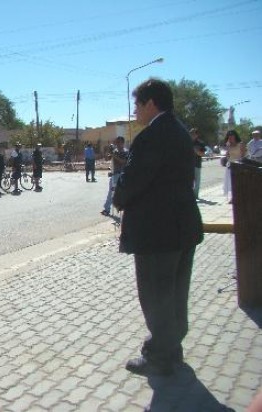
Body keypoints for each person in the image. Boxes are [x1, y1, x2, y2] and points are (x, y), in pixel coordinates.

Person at [113, 79, 203, 377]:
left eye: (137, 104)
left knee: (155, 295)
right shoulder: (178, 130)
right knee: (175, 293)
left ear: (151, 103)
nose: (135, 110)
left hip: (156, 232)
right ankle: (172, 349)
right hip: (181, 228)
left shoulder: (153, 136)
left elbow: (135, 179)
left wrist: (118, 195)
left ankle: (160, 358)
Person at [101, 136, 128, 216]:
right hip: (114, 174)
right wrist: (107, 151)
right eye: (116, 143)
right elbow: (107, 159)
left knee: (123, 193)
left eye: (119, 142)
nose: (117, 144)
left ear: (122, 143)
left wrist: (113, 155)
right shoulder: (115, 151)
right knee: (111, 192)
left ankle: (125, 210)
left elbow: (123, 161)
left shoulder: (125, 152)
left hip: (122, 174)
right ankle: (106, 209)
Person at [223, 130, 246, 203]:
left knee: (238, 182)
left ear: (235, 136)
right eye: (229, 136)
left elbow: (243, 155)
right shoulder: (228, 145)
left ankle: (240, 196)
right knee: (231, 182)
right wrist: (227, 148)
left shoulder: (240, 144)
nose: (230, 137)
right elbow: (227, 156)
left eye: (232, 136)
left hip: (238, 165)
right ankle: (233, 197)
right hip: (230, 165)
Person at [190, 128, 207, 199]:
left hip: (197, 164)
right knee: (189, 181)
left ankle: (195, 195)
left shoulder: (200, 143)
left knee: (197, 181)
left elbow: (203, 154)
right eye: (191, 133)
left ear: (197, 135)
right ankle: (190, 195)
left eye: (193, 133)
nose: (192, 135)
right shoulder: (187, 141)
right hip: (189, 164)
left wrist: (196, 151)